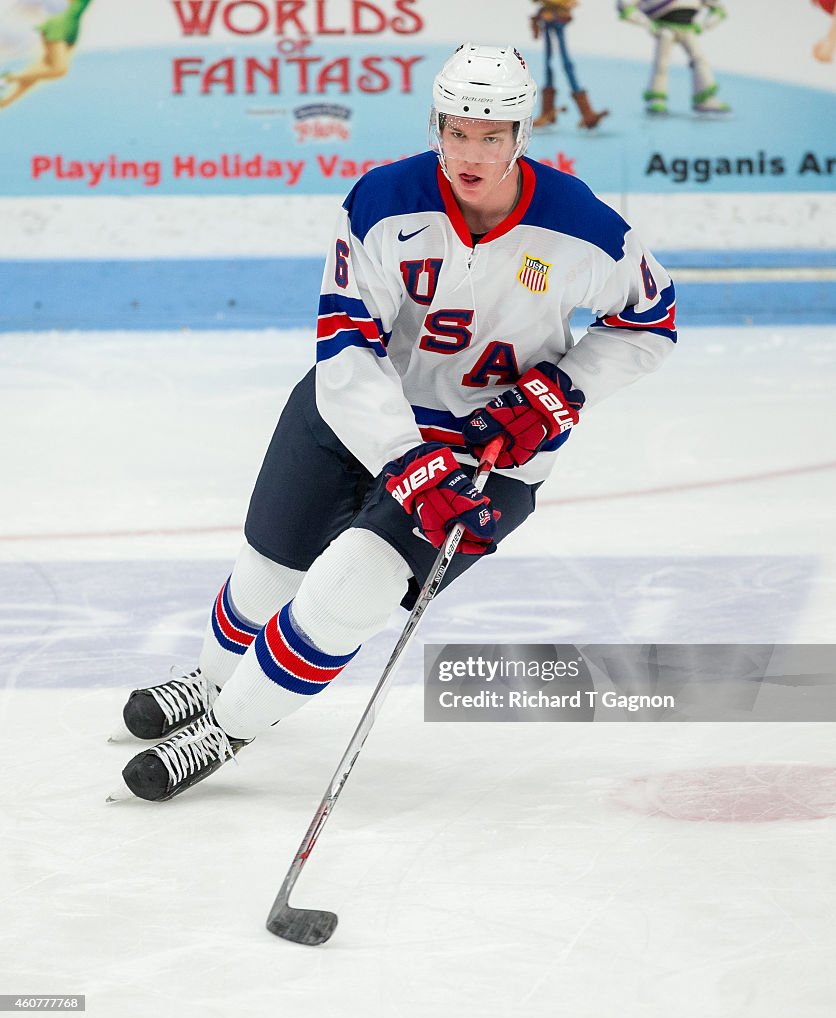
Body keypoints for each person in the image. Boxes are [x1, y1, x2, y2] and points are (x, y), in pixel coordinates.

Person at [116, 42, 677, 803]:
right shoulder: (382, 200)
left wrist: (557, 393)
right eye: (455, 130)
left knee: (351, 590)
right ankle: (209, 681)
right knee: (267, 574)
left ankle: (227, 728)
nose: (470, 152)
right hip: (357, 415)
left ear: (521, 136)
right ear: (435, 124)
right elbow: (346, 343)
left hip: (491, 456)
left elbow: (651, 317)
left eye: (491, 135)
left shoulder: (582, 227)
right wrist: (402, 457)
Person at [617, 0, 731, 114]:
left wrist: (705, 25)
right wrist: (647, 24)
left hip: (688, 28)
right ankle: (657, 98)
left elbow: (718, 9)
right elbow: (625, 5)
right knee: (661, 63)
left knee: (700, 60)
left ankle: (705, 99)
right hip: (664, 29)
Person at [0, 0, 94, 110]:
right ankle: (9, 78)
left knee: (40, 69)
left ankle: (5, 102)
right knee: (60, 69)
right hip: (59, 26)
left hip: (72, 27)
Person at [529, 0, 609, 129]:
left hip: (556, 23)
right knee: (550, 64)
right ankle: (548, 111)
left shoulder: (559, 11)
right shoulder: (548, 11)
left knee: (563, 64)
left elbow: (568, 11)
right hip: (550, 24)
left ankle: (586, 113)